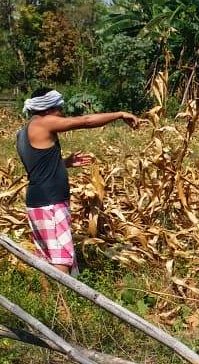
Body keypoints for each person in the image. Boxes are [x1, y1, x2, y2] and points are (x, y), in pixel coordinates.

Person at [17, 88, 141, 275]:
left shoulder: (23, 132)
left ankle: (50, 300)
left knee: (47, 257)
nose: (62, 112)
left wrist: (64, 162)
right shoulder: (44, 123)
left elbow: (38, 167)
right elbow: (85, 121)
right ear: (49, 108)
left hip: (37, 201)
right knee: (61, 258)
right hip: (51, 202)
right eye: (60, 108)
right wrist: (120, 114)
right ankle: (63, 302)